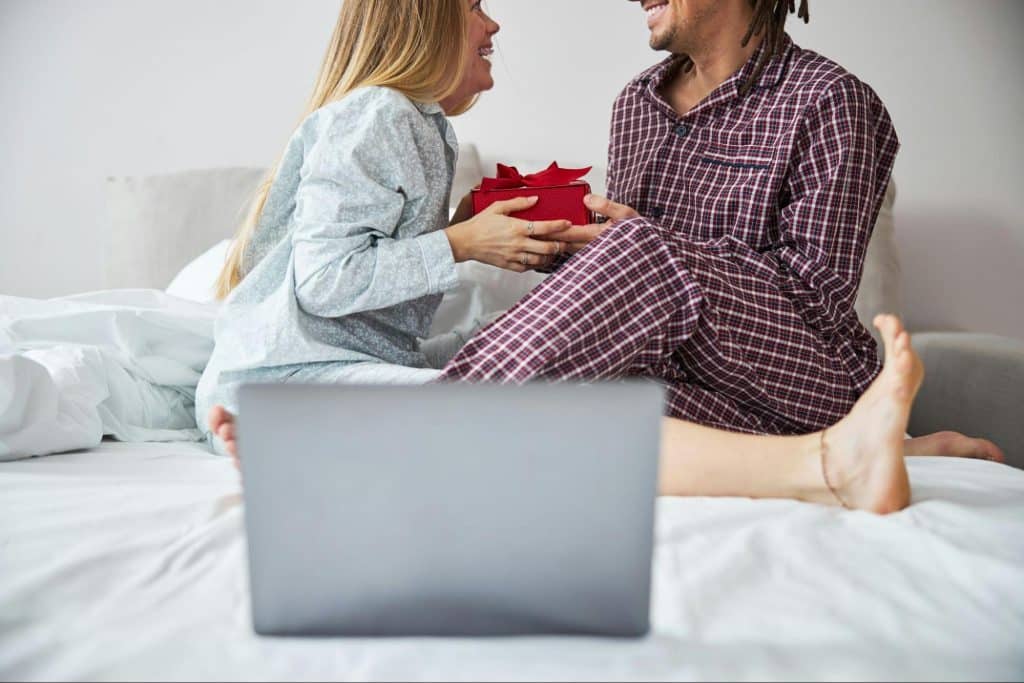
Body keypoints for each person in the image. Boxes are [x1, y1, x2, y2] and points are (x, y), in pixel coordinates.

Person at [202, 0, 1003, 515]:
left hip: (807, 363)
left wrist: (643, 247)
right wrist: (562, 247)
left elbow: (819, 301)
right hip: (689, 365)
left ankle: (406, 437)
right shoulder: (636, 107)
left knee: (645, 255)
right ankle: (870, 449)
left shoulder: (834, 103)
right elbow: (627, 294)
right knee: (578, 410)